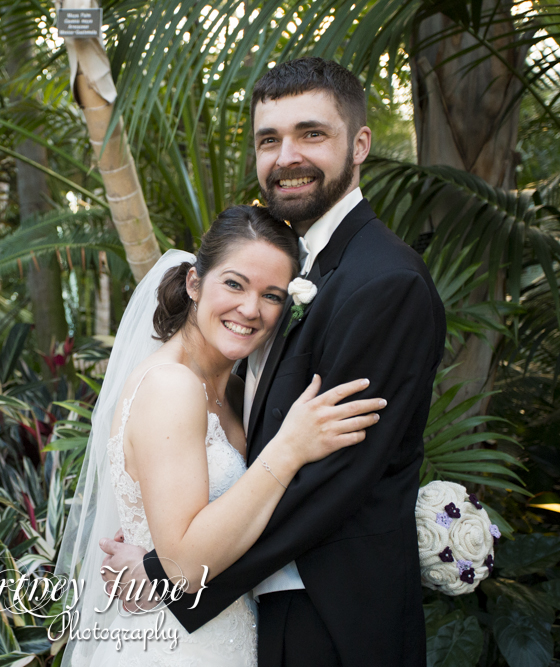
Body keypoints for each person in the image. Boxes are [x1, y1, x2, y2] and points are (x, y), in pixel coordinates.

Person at [98, 57, 446, 666]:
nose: (287, 156)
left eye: (311, 133)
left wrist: (165, 575)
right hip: (267, 614)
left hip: (335, 620)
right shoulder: (295, 270)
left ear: (360, 143)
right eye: (269, 140)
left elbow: (334, 482)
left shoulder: (384, 281)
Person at [55, 205, 388, 667]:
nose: (250, 309)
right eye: (234, 284)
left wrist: (148, 560)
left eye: (271, 295)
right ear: (194, 283)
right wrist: (289, 448)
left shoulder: (234, 390)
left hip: (232, 631)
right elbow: (186, 566)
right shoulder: (171, 387)